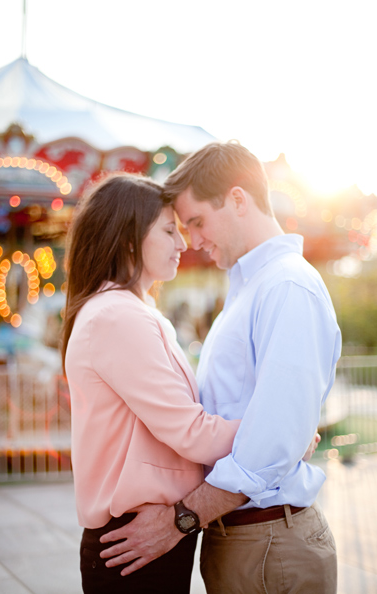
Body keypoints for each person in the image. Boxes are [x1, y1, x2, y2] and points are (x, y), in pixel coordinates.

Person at [99, 142, 340, 594]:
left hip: (269, 541)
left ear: (236, 199)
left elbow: (271, 441)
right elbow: (264, 424)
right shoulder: (251, 287)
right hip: (245, 538)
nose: (193, 238)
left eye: (195, 222)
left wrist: (180, 519)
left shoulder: (287, 285)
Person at [62, 173, 240, 593]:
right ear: (128, 240)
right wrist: (280, 433)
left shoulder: (125, 310)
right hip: (136, 540)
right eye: (168, 230)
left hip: (142, 537)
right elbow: (191, 432)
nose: (182, 243)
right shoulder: (117, 316)